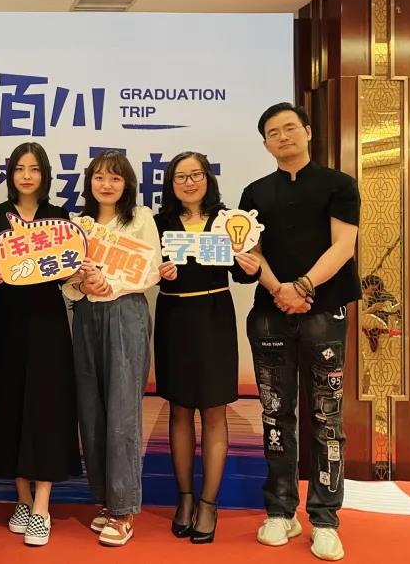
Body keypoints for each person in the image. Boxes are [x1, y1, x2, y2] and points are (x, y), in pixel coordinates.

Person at [241, 103, 359, 562]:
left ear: (308, 132)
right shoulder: (254, 192)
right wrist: (279, 290)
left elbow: (343, 246)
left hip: (324, 312)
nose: (283, 136)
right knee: (276, 414)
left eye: (290, 128)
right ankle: (280, 511)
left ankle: (326, 519)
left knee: (326, 417)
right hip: (271, 313)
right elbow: (251, 251)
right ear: (265, 143)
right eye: (273, 132)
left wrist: (304, 287)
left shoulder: (338, 184)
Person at [0, 142, 80, 547]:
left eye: (34, 169)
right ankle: (21, 499)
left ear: (44, 175)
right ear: (11, 174)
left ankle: (42, 506)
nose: (26, 176)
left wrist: (78, 271)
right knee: (11, 402)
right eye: (20, 168)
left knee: (47, 406)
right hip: (8, 318)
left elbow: (67, 270)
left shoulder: (59, 217)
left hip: (48, 319)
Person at [153, 151, 261, 544]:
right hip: (174, 317)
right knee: (179, 409)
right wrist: (158, 273)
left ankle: (208, 504)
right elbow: (144, 270)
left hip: (214, 317)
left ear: (208, 179)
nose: (189, 182)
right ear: (171, 183)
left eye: (196, 174)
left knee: (214, 411)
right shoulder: (159, 223)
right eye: (180, 176)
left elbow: (241, 273)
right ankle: (184, 499)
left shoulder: (228, 220)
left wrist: (250, 267)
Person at [61, 150, 160, 547]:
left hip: (125, 312)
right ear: (89, 182)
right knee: (91, 408)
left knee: (121, 409)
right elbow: (64, 273)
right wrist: (81, 284)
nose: (107, 185)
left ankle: (124, 509)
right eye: (100, 177)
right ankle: (106, 499)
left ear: (127, 184)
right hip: (86, 314)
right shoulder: (78, 224)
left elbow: (151, 269)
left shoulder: (140, 219)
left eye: (115, 178)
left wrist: (111, 285)